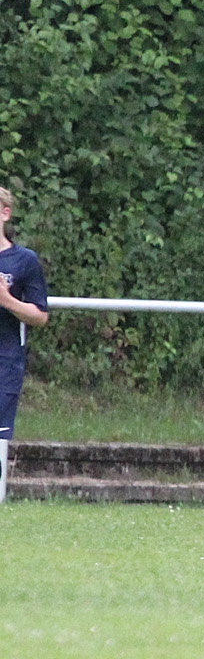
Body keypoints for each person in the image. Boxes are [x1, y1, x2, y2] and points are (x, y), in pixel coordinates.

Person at [0, 185, 51, 503]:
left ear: (5, 213)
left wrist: (6, 300)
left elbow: (39, 315)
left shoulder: (24, 261)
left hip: (5, 361)